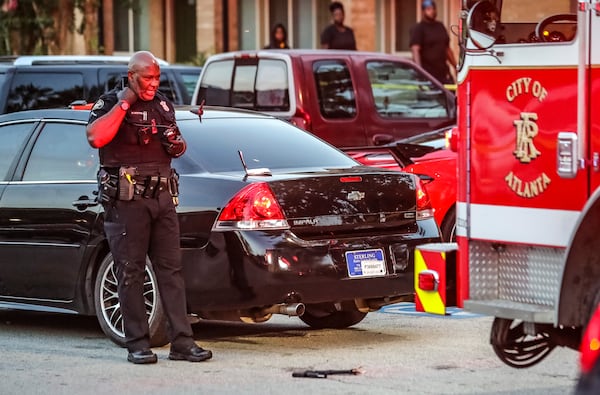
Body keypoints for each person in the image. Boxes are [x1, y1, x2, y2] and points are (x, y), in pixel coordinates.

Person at [86, 50, 213, 365]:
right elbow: (96, 137)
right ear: (131, 76)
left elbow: (179, 147)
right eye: (147, 78)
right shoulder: (109, 103)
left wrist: (174, 142)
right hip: (128, 202)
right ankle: (138, 344)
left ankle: (182, 343)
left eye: (157, 77)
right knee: (130, 271)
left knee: (172, 271)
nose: (153, 83)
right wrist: (126, 102)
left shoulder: (163, 105)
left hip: (162, 199)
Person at [409, 0, 457, 84]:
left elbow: (447, 49)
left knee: (450, 95)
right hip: (428, 75)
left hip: (443, 73)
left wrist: (456, 67)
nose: (432, 11)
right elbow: (415, 50)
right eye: (428, 9)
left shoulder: (440, 26)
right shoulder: (419, 28)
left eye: (433, 9)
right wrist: (420, 72)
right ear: (423, 11)